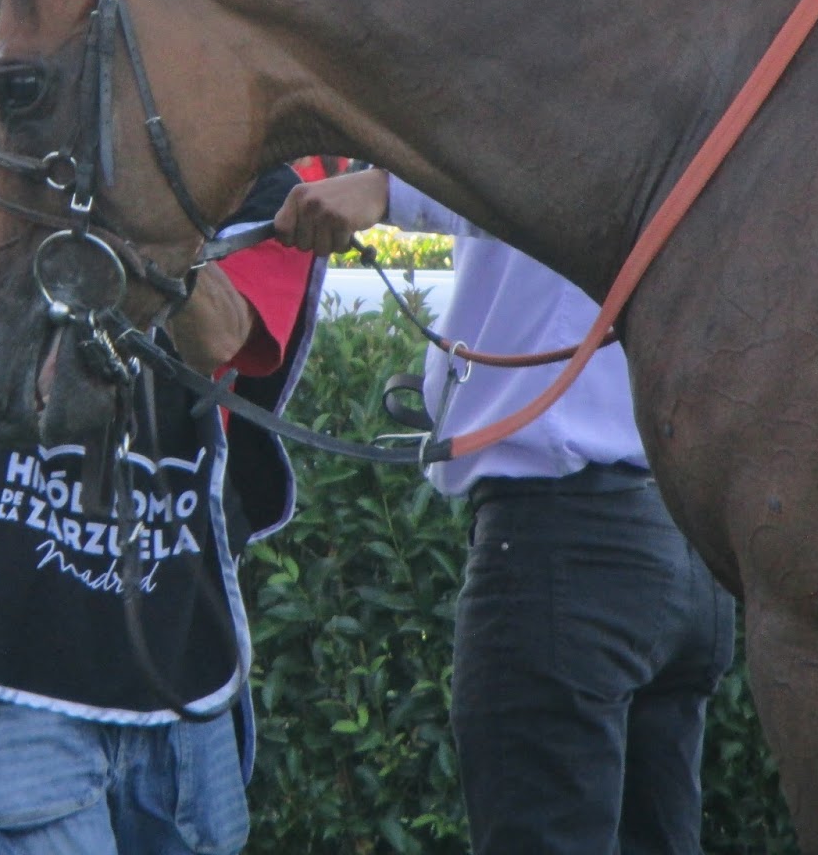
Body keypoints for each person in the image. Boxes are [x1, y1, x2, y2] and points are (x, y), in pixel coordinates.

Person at [272, 168, 735, 855]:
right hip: (682, 541)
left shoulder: (579, 114)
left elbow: (542, 153)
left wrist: (387, 190)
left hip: (571, 543)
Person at [0, 167, 319, 855]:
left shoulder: (265, 182)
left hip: (176, 639)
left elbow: (217, 338)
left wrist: (133, 191)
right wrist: (53, 155)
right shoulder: (30, 140)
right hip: (10, 633)